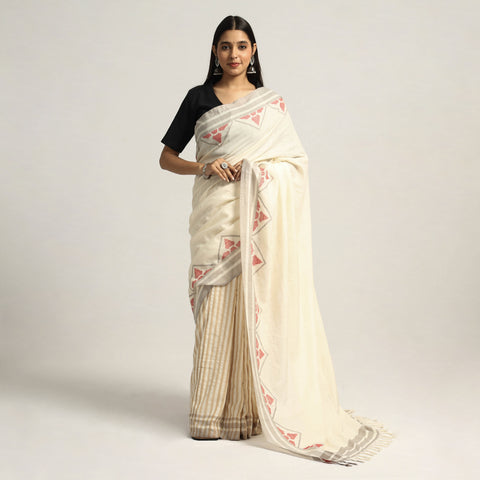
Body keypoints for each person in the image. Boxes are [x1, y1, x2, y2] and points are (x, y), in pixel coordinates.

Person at [159, 15, 393, 466]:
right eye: (225, 46)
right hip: (215, 218)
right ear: (214, 52)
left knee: (254, 308)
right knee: (214, 311)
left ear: (253, 51)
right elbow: (167, 158)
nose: (233, 54)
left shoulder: (270, 105)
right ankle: (208, 415)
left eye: (241, 46)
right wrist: (205, 166)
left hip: (259, 223)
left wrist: (255, 171)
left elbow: (294, 163)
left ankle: (246, 414)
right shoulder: (198, 98)